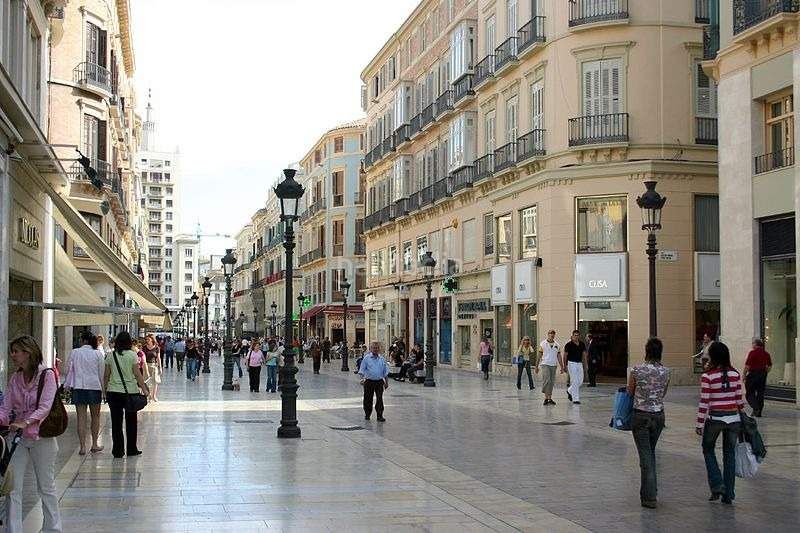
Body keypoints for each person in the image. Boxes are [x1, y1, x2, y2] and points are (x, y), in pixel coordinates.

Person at [0, 336, 63, 532]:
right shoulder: (15, 378)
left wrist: (24, 422)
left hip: (41, 437)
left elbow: (44, 407)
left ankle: (53, 529)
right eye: (12, 351)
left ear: (27, 353)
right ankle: (13, 529)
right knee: (13, 488)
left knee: (46, 487)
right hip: (18, 439)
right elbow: (6, 406)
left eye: (16, 351)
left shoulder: (47, 375)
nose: (13, 355)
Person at [696, 341, 745, 505]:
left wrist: (699, 423)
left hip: (715, 419)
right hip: (733, 419)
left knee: (708, 449)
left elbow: (705, 402)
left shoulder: (708, 376)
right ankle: (729, 493)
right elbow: (740, 400)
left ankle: (717, 484)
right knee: (729, 454)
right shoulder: (735, 374)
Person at [627, 337, 670, 509]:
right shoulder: (666, 371)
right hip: (658, 415)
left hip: (640, 415)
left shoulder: (636, 370)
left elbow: (630, 391)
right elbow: (663, 393)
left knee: (646, 456)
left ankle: (649, 496)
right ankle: (652, 489)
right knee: (650, 452)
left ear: (646, 351)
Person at [104, 331, 149, 459]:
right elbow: (137, 374)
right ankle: (131, 449)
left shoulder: (110, 355)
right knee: (131, 422)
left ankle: (118, 451)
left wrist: (104, 389)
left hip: (113, 392)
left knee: (116, 422)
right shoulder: (132, 355)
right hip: (130, 392)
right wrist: (144, 388)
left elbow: (106, 375)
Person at [64, 331, 105, 455]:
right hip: (94, 387)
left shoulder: (75, 352)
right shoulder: (98, 354)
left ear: (83, 340)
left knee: (81, 418)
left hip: (79, 387)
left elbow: (67, 369)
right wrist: (104, 391)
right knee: (95, 417)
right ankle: (94, 444)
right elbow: (101, 373)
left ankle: (82, 446)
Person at [358, 341, 389, 421]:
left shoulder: (382, 359)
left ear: (379, 349)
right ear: (371, 349)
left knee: (379, 398)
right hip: (369, 381)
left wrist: (386, 382)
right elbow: (362, 370)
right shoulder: (367, 358)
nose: (375, 349)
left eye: (377, 348)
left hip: (379, 382)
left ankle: (379, 415)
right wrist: (362, 379)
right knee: (368, 398)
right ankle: (367, 414)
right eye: (374, 348)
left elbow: (385, 372)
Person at [744, 338, 772, 417]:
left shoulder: (752, 353)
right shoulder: (766, 354)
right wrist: (765, 372)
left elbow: (747, 366)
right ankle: (759, 412)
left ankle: (756, 408)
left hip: (753, 374)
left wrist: (744, 375)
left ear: (756, 344)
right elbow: (769, 366)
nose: (752, 345)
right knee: (760, 393)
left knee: (749, 393)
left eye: (753, 343)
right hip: (762, 374)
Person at [537, 329, 563, 406]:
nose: (552, 335)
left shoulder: (557, 345)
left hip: (553, 365)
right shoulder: (543, 344)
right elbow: (539, 355)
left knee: (551, 382)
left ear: (554, 335)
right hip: (545, 364)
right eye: (550, 333)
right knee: (547, 380)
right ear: (548, 334)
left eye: (553, 333)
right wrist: (536, 366)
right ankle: (545, 397)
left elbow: (559, 356)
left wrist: (562, 366)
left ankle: (549, 398)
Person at [564, 330, 587, 404]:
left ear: (579, 336)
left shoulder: (582, 344)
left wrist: (585, 365)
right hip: (571, 363)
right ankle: (575, 399)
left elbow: (584, 355)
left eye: (577, 335)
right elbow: (565, 356)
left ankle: (569, 391)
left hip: (579, 363)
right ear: (572, 336)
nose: (576, 337)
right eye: (575, 335)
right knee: (574, 381)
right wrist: (565, 366)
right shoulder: (568, 345)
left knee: (580, 381)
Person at [143, 334, 162, 402]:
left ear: (152, 340)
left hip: (154, 366)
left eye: (148, 339)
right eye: (146, 339)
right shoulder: (144, 347)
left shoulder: (157, 348)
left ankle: (154, 396)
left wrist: (160, 367)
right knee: (146, 381)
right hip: (145, 366)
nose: (147, 341)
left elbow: (158, 358)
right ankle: (149, 396)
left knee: (155, 382)